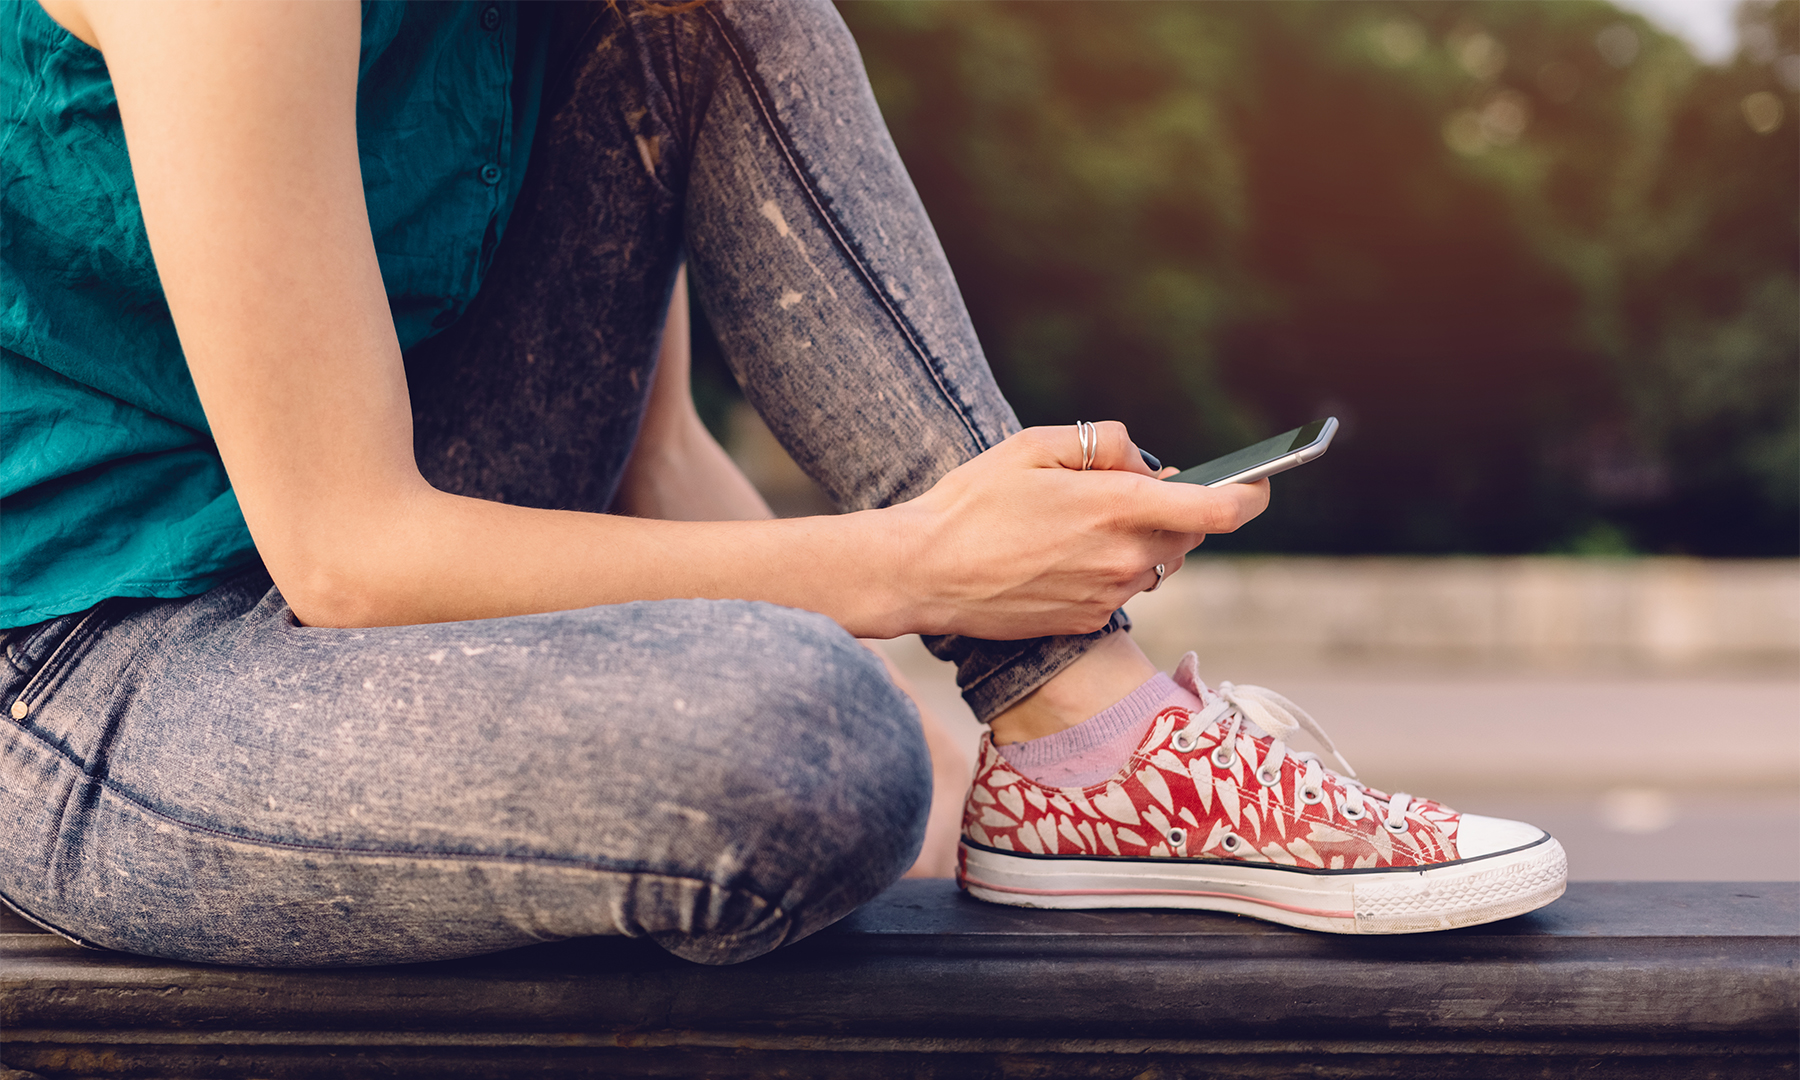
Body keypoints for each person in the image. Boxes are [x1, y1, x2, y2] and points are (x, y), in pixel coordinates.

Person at [0, 0, 1563, 968]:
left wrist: (977, 753)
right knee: (805, 740)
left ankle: (1093, 734)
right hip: (96, 668)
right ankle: (1066, 737)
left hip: (348, 610)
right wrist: (913, 568)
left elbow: (655, 460)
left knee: (719, 6)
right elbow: (351, 553)